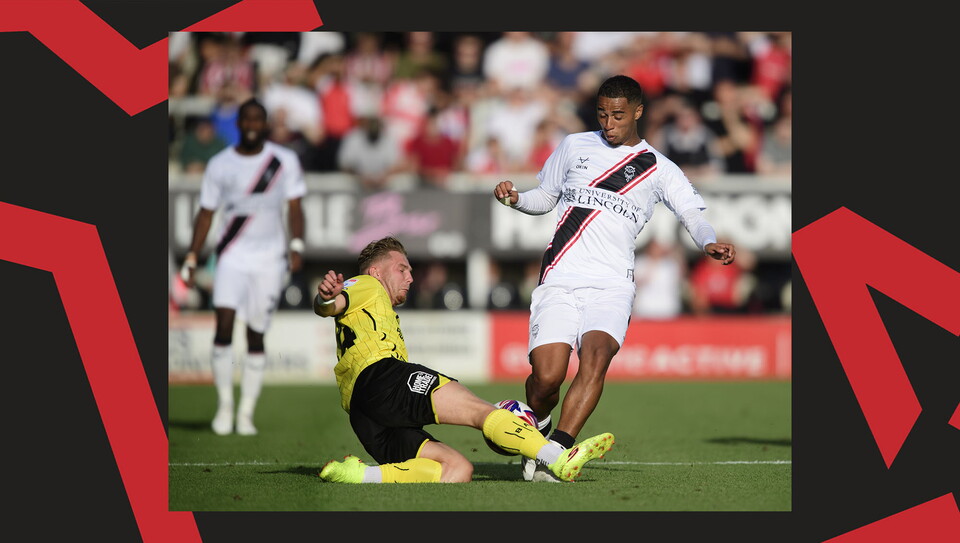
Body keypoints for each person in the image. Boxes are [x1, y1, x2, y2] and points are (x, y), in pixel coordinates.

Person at [492, 74, 736, 482]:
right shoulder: (574, 145)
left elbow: (692, 213)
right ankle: (542, 422)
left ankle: (557, 453)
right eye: (602, 114)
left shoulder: (658, 166)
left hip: (612, 284)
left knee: (596, 357)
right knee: (546, 377)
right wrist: (517, 199)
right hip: (559, 276)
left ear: (638, 112)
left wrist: (707, 242)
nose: (608, 123)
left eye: (618, 115)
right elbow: (545, 196)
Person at [314, 237, 614, 483]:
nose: (410, 277)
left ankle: (358, 474)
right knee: (479, 411)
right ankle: (556, 456)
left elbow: (335, 306)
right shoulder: (367, 285)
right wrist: (327, 298)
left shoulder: (375, 306)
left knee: (456, 470)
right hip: (383, 378)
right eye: (402, 269)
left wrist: (328, 302)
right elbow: (332, 304)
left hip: (362, 414)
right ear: (376, 272)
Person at [180, 97, 307, 436]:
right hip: (231, 256)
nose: (252, 125)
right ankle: (224, 406)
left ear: (265, 124)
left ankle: (246, 411)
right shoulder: (220, 164)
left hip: (269, 259)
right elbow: (206, 212)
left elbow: (295, 206)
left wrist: (297, 243)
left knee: (255, 333)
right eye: (246, 120)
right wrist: (193, 255)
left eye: (257, 120)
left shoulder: (284, 160)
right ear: (238, 124)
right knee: (222, 326)